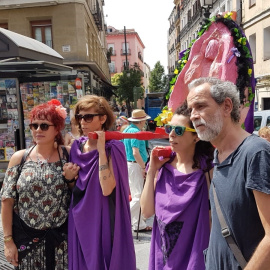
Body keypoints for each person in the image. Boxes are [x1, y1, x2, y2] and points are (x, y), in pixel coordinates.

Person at [187, 77, 270, 269]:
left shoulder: (256, 153)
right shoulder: (218, 153)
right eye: (191, 109)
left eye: (200, 106)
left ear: (226, 106)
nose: (193, 115)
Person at [0, 99, 79, 269]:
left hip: (62, 243)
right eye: (33, 125)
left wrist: (71, 179)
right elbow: (7, 201)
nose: (37, 130)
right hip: (27, 243)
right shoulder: (19, 158)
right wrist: (8, 242)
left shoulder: (68, 154)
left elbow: (79, 194)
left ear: (57, 128)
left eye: (44, 126)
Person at [141, 102, 214, 269]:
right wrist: (152, 170)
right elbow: (146, 211)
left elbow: (211, 218)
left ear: (196, 136)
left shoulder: (208, 170)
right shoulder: (161, 165)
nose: (171, 135)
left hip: (194, 258)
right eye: (169, 129)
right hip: (162, 257)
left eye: (179, 130)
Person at [67, 95, 136, 270]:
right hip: (80, 217)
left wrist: (101, 151)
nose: (83, 122)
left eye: (88, 117)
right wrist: (68, 179)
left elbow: (107, 189)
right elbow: (75, 188)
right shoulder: (76, 148)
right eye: (79, 117)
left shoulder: (114, 147)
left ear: (103, 118)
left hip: (104, 215)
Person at [122, 109, 152, 232]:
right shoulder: (136, 132)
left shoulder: (127, 130)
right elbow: (135, 152)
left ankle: (139, 225)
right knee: (139, 196)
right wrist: (143, 167)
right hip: (135, 165)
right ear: (142, 120)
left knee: (136, 194)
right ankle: (123, 218)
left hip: (130, 164)